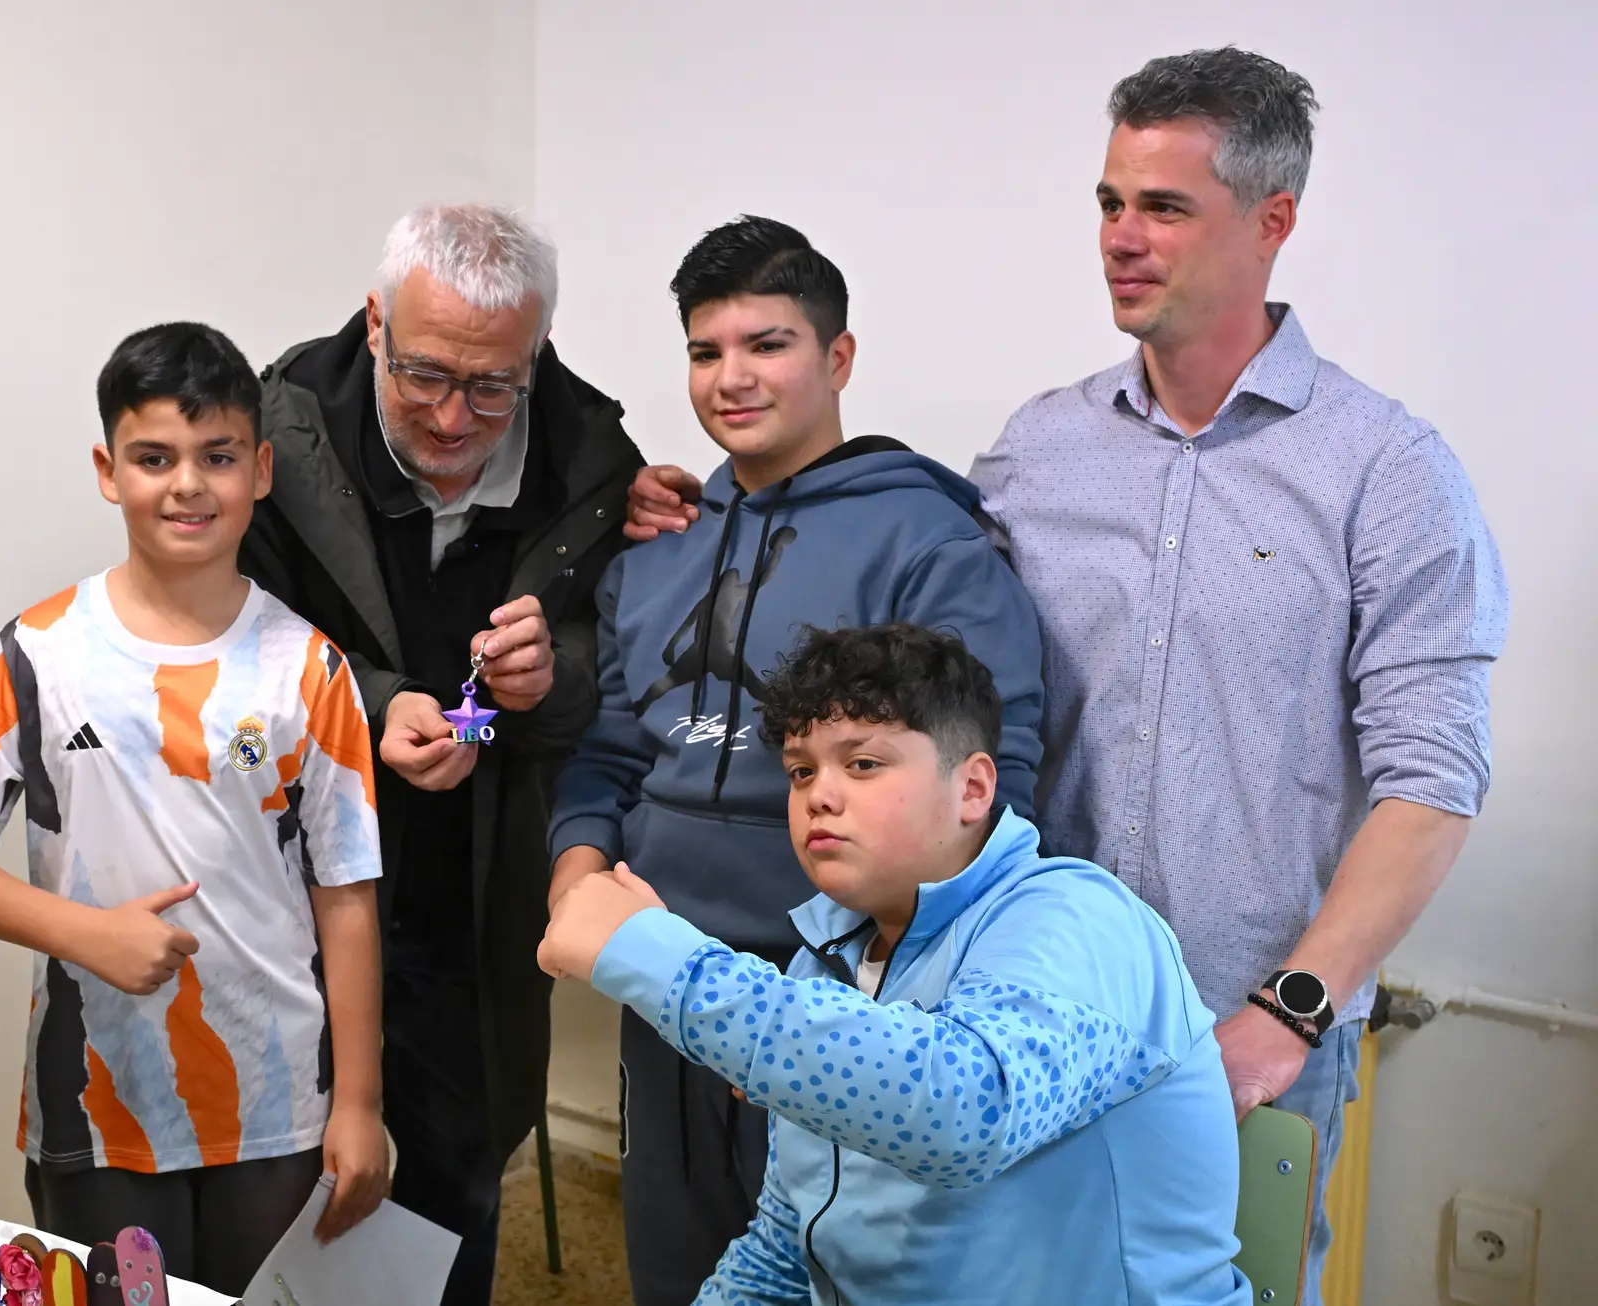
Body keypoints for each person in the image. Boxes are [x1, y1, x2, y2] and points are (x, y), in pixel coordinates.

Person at [627, 49, 1508, 1303]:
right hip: (1009, 1014)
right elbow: (909, 668)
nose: (1121, 239)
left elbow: (1434, 779)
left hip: (1243, 1021)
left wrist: (1289, 1012)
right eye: (1109, 202)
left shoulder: (1388, 471)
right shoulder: (1037, 451)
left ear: (1272, 221)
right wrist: (697, 506)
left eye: (1165, 207)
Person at [549, 216, 1044, 1306]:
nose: (732, 377)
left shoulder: (928, 542)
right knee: (679, 1274)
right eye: (705, 350)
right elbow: (610, 751)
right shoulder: (656, 545)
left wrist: (897, 984)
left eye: (767, 344)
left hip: (839, 1005)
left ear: (839, 357)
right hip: (658, 975)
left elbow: (995, 774)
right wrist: (578, 874)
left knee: (831, 1277)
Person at [541, 623, 1248, 1305]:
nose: (819, 796)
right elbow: (790, 1245)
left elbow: (968, 1110)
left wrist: (661, 957)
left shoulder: (1076, 916)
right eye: (800, 771)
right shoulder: (823, 962)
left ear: (973, 789)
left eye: (863, 764)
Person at [0, 323, 387, 1295]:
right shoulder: (35, 653)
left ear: (261, 470)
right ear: (107, 471)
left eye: (218, 457)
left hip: (278, 1108)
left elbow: (347, 895)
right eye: (154, 457)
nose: (187, 485)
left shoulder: (310, 666)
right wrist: (87, 934)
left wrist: (360, 1105)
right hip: (97, 1106)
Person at [237, 204, 644, 1305]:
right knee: (280, 1192)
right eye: (424, 374)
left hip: (481, 888)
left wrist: (553, 673)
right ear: (375, 324)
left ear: (536, 355)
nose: (455, 417)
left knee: (455, 1193)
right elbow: (226, 635)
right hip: (291, 885)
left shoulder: (591, 461)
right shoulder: (273, 438)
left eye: (493, 386)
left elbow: (621, 665)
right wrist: (371, 706)